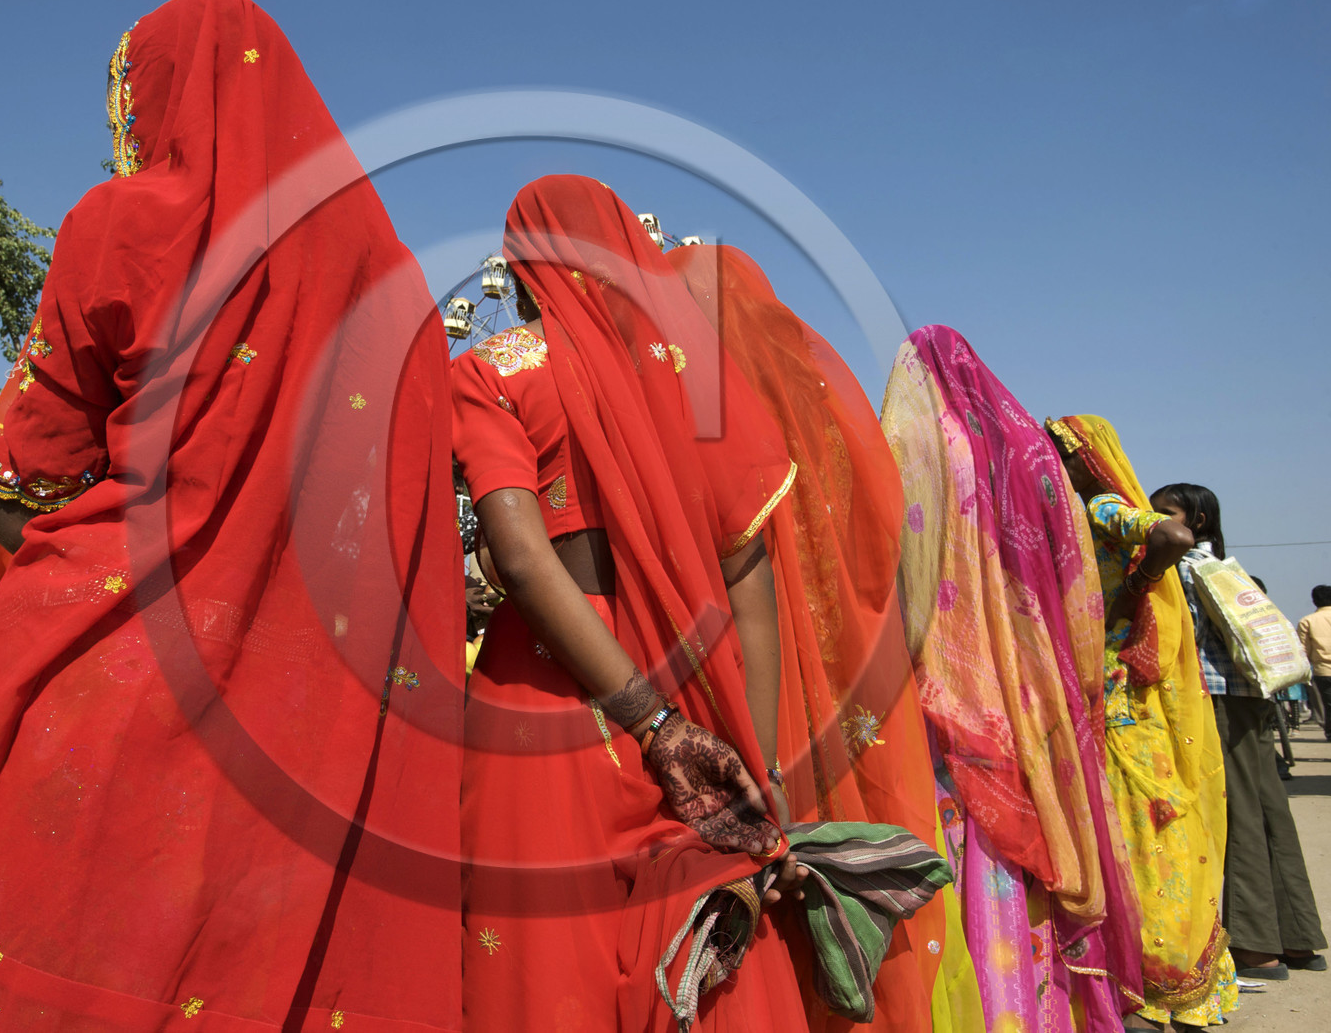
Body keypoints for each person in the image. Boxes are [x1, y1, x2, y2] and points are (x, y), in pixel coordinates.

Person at [0, 0, 465, 1031]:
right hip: (321, 750)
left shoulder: (127, 225)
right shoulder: (398, 289)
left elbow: (20, 501)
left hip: (121, 699)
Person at [452, 175, 809, 1031]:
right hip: (698, 680)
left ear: (523, 270)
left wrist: (653, 728)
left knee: (545, 967)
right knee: (704, 950)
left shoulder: (494, 371)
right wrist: (749, 765)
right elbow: (748, 578)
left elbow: (524, 558)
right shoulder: (700, 388)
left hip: (549, 691)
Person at [667, 244, 948, 1033]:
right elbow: (875, 539)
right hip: (837, 657)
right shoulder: (816, 406)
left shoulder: (697, 412)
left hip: (743, 664)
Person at [882, 328, 1142, 1032]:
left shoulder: (915, 443)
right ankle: (1045, 1005)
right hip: (1038, 690)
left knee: (973, 848)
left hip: (950, 693)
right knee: (1043, 849)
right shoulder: (1034, 451)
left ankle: (991, 1009)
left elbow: (894, 562)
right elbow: (1079, 579)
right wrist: (1074, 682)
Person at [1046, 417, 1234, 1030]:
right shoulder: (1067, 514)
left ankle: (1156, 981)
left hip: (1124, 708)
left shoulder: (1100, 506)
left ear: (1088, 460)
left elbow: (1173, 534)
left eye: (1062, 454)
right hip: (1108, 703)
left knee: (1141, 837)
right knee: (1134, 837)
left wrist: (1138, 583)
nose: (1053, 463)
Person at [1150, 483, 1326, 980]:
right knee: (1269, 809)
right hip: (1250, 696)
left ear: (1197, 521)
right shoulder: (1226, 567)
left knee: (1236, 813)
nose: (1154, 519)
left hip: (1215, 699)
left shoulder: (1181, 567)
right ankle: (1297, 937)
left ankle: (1254, 945)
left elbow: (1182, 640)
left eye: (1166, 512)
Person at [1302, 585, 1331, 741]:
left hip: (1323, 670)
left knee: (1329, 705)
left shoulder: (1308, 621)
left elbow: (1303, 651)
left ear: (1314, 601)